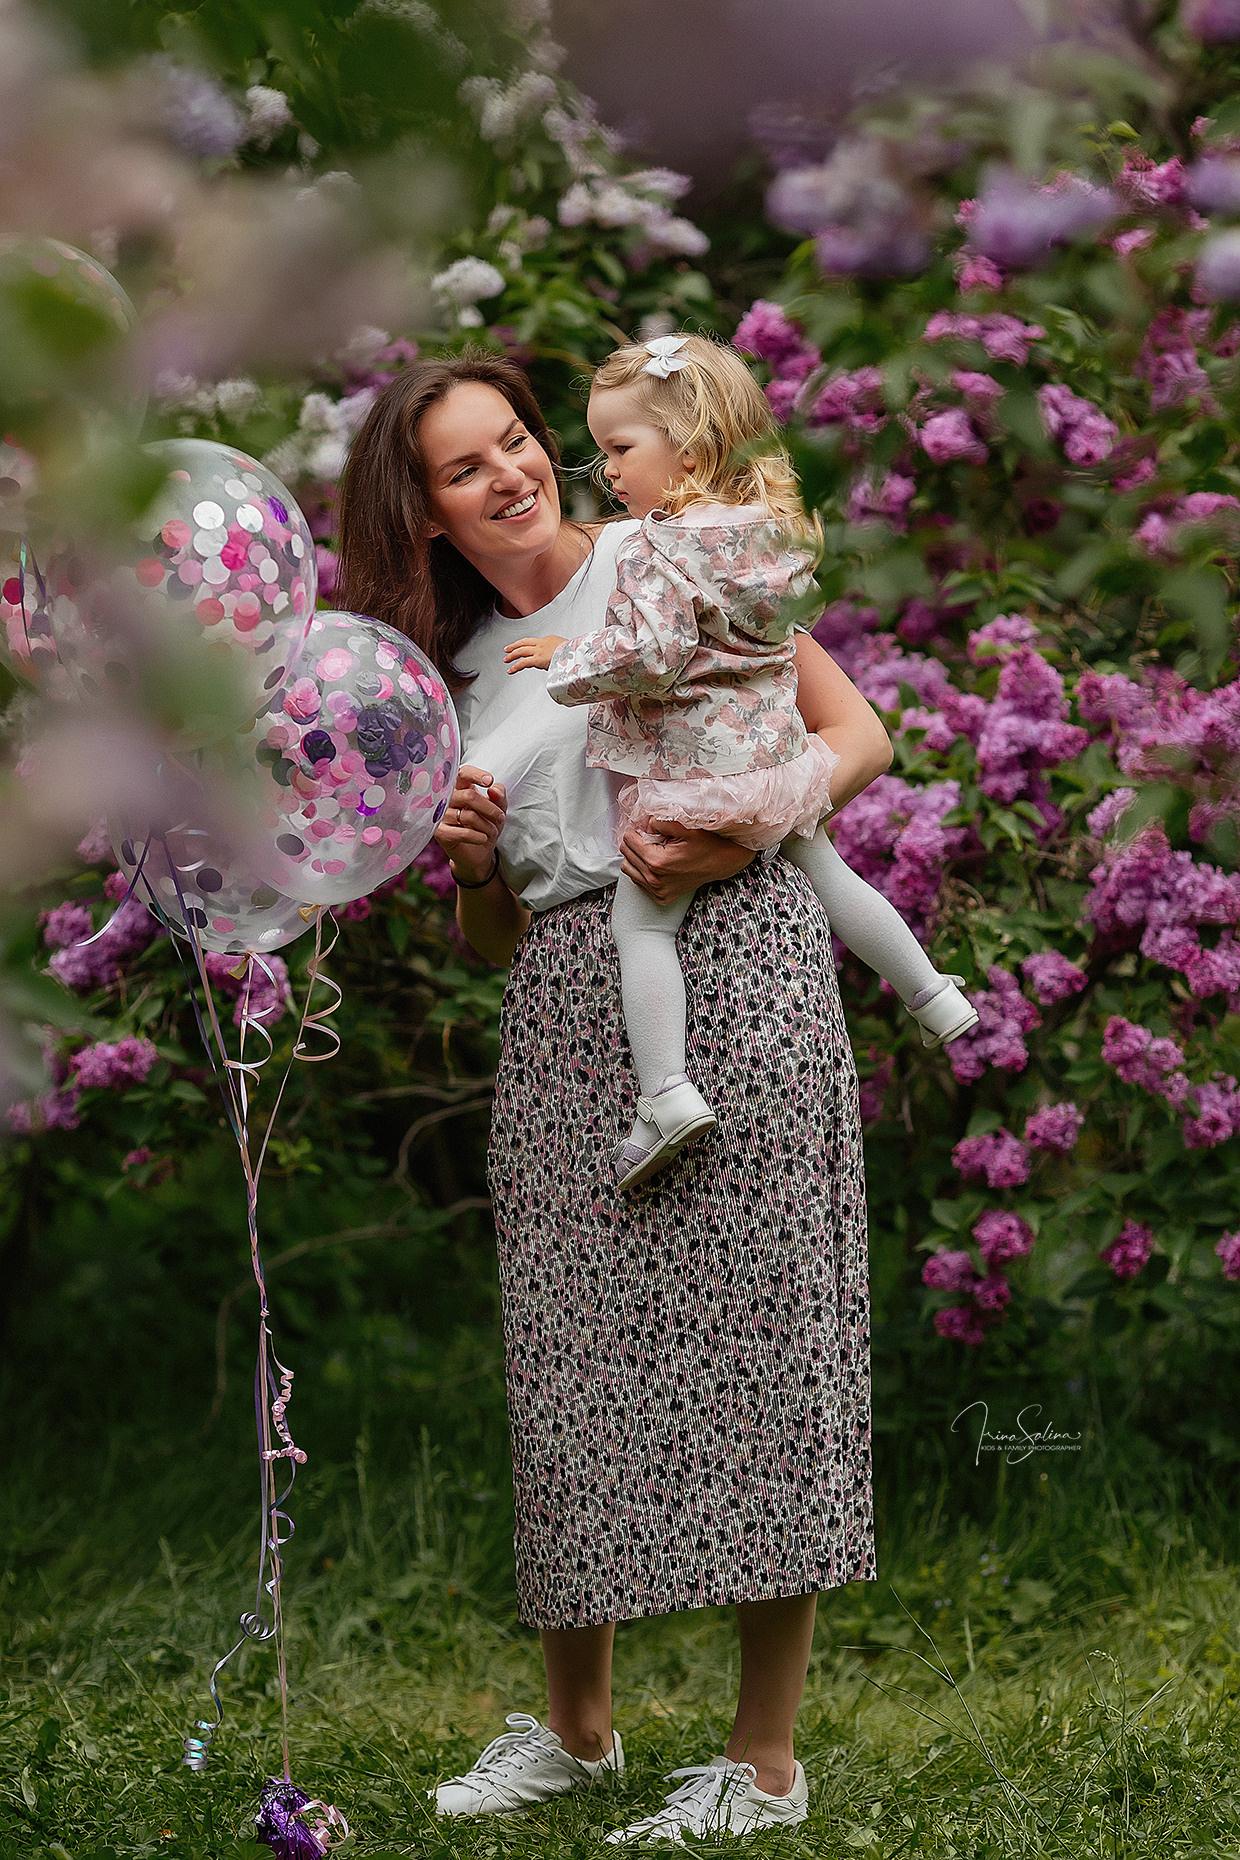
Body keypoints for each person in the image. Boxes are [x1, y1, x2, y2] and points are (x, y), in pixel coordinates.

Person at [336, 352, 888, 1844]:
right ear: (429, 512)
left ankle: (763, 1764)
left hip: (751, 950)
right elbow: (498, 936)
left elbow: (855, 734)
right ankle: (577, 1731)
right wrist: (463, 868)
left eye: (518, 441)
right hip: (573, 1005)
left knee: (772, 1343)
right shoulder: (437, 679)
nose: (512, 473)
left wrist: (745, 827)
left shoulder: (672, 547)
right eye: (468, 466)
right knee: (571, 1362)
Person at [503, 333, 977, 1190]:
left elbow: (652, 654)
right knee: (831, 874)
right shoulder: (772, 530)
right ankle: (932, 993)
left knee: (643, 923)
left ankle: (666, 1093)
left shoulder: (659, 544)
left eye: (620, 448)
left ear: (691, 444)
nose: (605, 470)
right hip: (771, 758)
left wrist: (563, 660)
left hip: (690, 772)